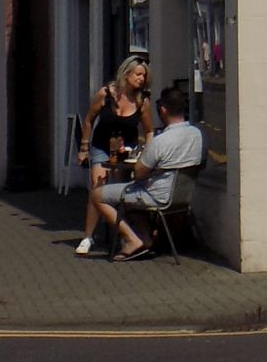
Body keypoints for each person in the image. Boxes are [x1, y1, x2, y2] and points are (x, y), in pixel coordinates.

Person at [92, 87, 203, 261]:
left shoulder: (160, 141)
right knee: (132, 192)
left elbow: (139, 173)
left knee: (98, 195)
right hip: (182, 195)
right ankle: (145, 238)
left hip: (155, 196)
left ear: (163, 110)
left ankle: (132, 239)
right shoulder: (198, 135)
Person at [74, 56, 156, 257]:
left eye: (144, 75)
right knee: (98, 187)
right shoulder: (106, 94)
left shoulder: (142, 101)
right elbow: (89, 119)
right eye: (138, 74)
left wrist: (148, 153)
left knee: (119, 190)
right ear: (126, 74)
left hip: (125, 151)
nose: (141, 78)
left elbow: (149, 131)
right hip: (102, 145)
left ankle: (123, 234)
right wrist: (84, 148)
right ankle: (88, 236)